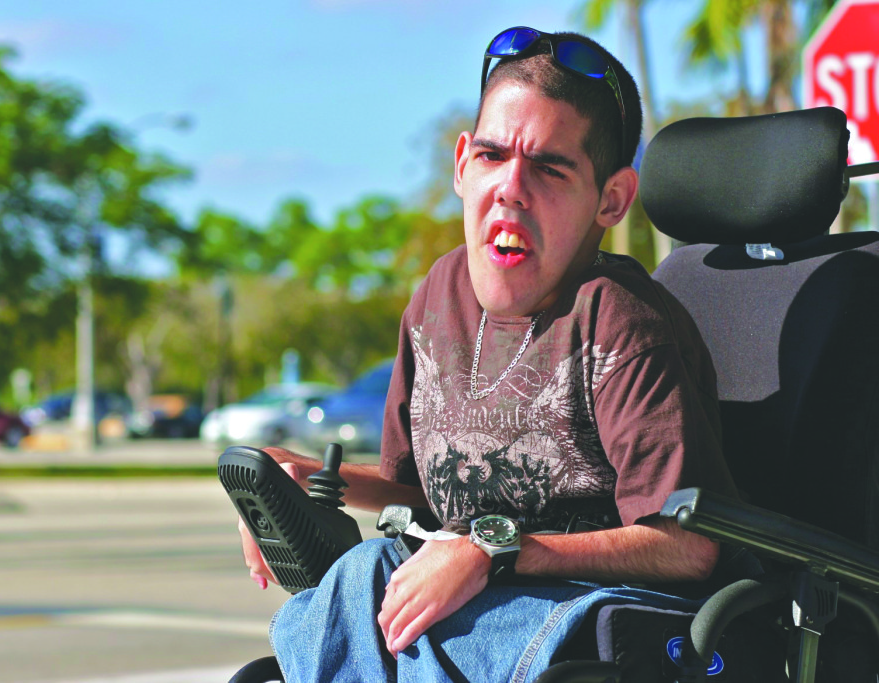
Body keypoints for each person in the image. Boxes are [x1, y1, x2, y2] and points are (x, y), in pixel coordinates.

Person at [237, 27, 740, 681]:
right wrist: (308, 476)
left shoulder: (621, 321)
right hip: (464, 584)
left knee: (408, 608)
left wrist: (494, 552)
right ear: (461, 163)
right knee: (366, 575)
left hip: (578, 605)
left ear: (611, 199)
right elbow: (419, 496)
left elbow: (689, 546)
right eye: (492, 155)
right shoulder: (437, 296)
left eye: (551, 167)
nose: (511, 187)